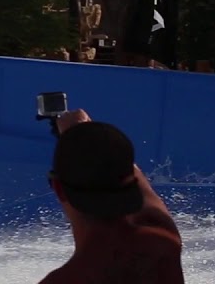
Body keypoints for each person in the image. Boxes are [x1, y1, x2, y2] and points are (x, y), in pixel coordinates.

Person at [40, 109, 184, 283]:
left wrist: (76, 133)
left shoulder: (67, 279)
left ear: (58, 189)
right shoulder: (162, 237)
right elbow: (121, 168)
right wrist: (82, 130)